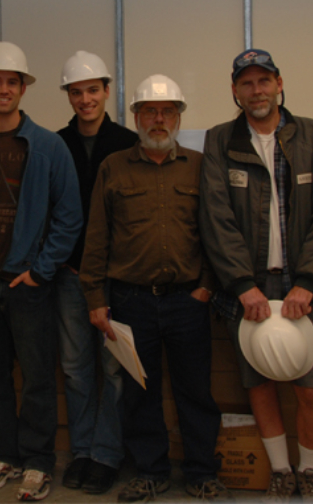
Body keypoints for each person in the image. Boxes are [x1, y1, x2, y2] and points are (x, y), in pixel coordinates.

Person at [201, 50, 313, 500]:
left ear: (279, 84)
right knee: (259, 381)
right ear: (234, 91)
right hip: (248, 287)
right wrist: (243, 285)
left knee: (311, 387)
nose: (256, 91)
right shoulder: (220, 140)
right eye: (246, 83)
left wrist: (310, 280)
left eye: (264, 81)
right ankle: (281, 471)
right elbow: (216, 217)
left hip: (304, 284)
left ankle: (310, 470)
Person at [81, 75, 228, 502]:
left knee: (195, 392)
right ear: (136, 117)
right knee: (139, 394)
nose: (158, 119)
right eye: (150, 112)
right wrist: (95, 298)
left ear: (178, 117)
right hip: (131, 301)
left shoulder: (200, 166)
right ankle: (150, 471)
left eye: (167, 112)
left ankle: (201, 472)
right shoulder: (113, 167)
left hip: (188, 301)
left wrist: (207, 287)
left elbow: (216, 232)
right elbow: (97, 237)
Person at [0, 41, 82, 501]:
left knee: (38, 378)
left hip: (27, 284)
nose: (3, 89)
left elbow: (69, 216)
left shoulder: (48, 146)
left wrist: (40, 272)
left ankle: (38, 462)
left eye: (12, 81)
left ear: (23, 88)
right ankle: (4, 455)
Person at [54, 51, 137, 494]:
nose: (85, 99)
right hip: (69, 274)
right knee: (75, 368)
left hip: (116, 276)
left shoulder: (128, 143)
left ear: (106, 91)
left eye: (92, 90)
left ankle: (106, 455)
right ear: (68, 96)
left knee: (114, 370)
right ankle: (82, 452)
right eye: (76, 92)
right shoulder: (56, 144)